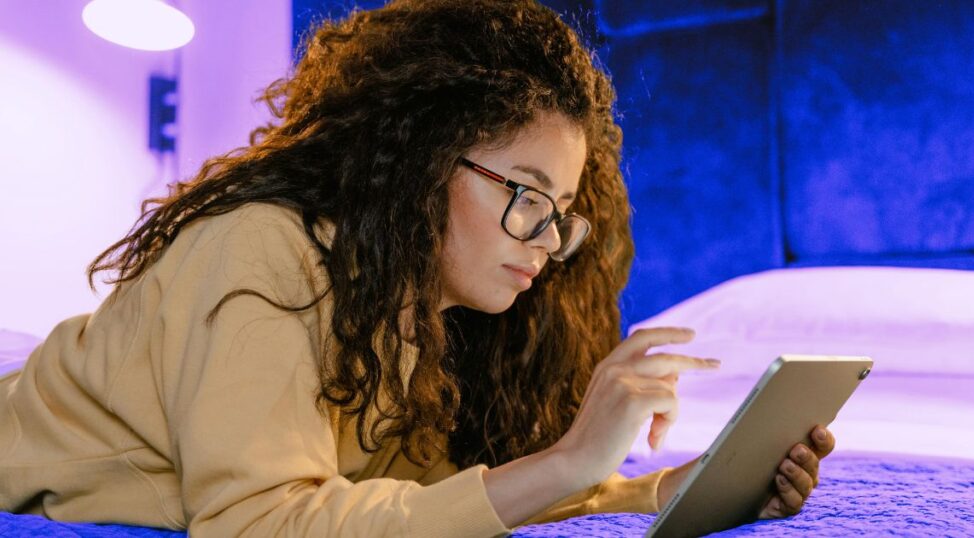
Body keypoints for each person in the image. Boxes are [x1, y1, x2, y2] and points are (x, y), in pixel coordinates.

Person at [0, 0, 835, 536]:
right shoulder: (262, 251)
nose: (547, 240)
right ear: (422, 161)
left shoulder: (408, 311)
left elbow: (419, 495)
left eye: (562, 215)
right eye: (526, 194)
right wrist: (572, 459)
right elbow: (255, 521)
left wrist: (662, 491)